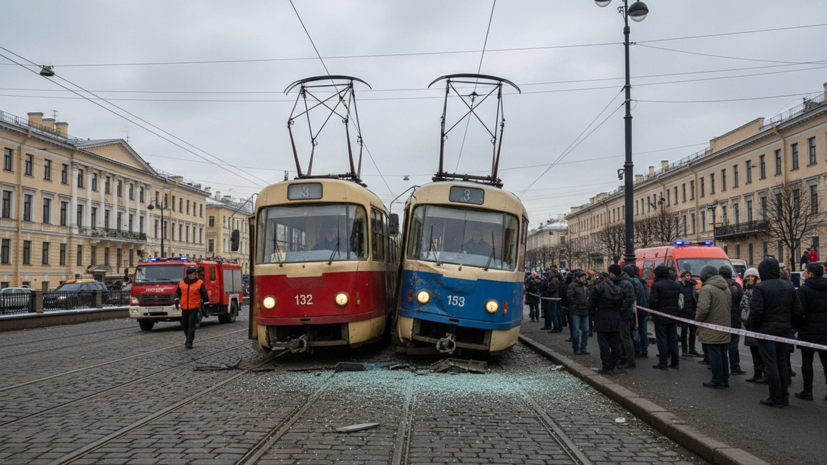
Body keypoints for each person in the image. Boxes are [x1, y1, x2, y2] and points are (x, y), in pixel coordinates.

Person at [747, 258, 803, 407]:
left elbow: (756, 311)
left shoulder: (760, 288)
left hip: (766, 331)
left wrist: (753, 329)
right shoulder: (788, 287)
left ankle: (775, 397)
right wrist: (792, 327)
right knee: (782, 363)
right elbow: (798, 310)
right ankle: (784, 397)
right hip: (784, 330)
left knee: (770, 364)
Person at [793, 263, 827, 401]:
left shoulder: (804, 289)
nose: (804, 274)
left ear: (811, 274)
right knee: (826, 362)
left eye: (805, 272)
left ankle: (808, 391)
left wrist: (798, 326)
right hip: (826, 330)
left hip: (808, 330)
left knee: (807, 361)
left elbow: (799, 311)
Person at [695, 265, 732, 389]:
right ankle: (725, 379)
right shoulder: (726, 288)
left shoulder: (707, 289)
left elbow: (703, 309)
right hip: (724, 326)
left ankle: (717, 380)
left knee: (714, 355)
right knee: (723, 354)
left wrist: (697, 320)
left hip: (711, 327)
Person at [589, 267, 624, 375]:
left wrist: (592, 313)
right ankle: (614, 365)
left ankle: (607, 366)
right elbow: (621, 303)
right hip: (615, 318)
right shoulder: (618, 288)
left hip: (602, 317)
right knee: (615, 343)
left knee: (604, 344)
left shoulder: (598, 288)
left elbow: (590, 303)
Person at [649, 265, 682, 370]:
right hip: (673, 315)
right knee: (673, 339)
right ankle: (675, 362)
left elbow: (653, 302)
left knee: (662, 339)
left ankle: (663, 362)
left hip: (660, 316)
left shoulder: (656, 285)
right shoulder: (676, 285)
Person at [719, 266, 746, 375]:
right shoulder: (736, 286)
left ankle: (719, 365)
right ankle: (735, 366)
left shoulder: (717, 286)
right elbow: (742, 301)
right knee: (733, 343)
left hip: (720, 318)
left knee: (720, 343)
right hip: (734, 317)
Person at [741, 268, 766, 384]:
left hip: (758, 325)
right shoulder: (745, 290)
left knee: (761, 351)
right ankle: (757, 373)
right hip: (749, 325)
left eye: (753, 276)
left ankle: (765, 374)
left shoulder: (759, 289)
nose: (750, 278)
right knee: (754, 351)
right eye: (748, 276)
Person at [176, 266, 209, 349]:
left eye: (194, 274)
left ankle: (189, 342)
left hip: (194, 307)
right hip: (184, 307)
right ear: (188, 275)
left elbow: (204, 295)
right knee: (185, 325)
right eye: (192, 274)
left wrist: (206, 305)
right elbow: (178, 293)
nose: (194, 276)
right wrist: (176, 300)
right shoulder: (181, 283)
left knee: (191, 325)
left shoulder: (199, 283)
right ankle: (188, 338)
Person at [611, 264, 637, 369]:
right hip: (622, 314)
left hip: (624, 315)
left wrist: (620, 309)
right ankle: (623, 358)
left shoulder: (624, 283)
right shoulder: (620, 282)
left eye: (610, 273)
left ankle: (630, 360)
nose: (609, 275)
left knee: (625, 338)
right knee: (622, 338)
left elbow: (629, 298)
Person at [627, 265, 649, 359]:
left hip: (635, 309)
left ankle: (637, 350)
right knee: (643, 331)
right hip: (643, 309)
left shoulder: (632, 282)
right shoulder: (643, 282)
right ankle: (645, 350)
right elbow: (647, 296)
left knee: (634, 330)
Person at [678, 271, 701, 357]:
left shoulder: (691, 285)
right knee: (684, 331)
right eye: (687, 276)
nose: (688, 277)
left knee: (693, 331)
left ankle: (692, 348)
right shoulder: (679, 285)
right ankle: (684, 349)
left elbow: (696, 295)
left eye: (689, 276)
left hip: (692, 311)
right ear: (683, 277)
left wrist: (694, 285)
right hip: (683, 312)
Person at [567, 270, 590, 355]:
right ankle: (576, 348)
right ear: (577, 278)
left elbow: (588, 295)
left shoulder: (585, 286)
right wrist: (576, 305)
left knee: (586, 330)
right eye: (582, 278)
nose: (584, 279)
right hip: (576, 310)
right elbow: (569, 297)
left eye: (584, 278)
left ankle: (583, 347)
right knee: (576, 330)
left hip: (585, 310)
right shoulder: (572, 286)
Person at [546, 267, 562, 332]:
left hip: (553, 297)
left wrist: (548, 289)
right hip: (556, 297)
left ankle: (556, 327)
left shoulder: (553, 280)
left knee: (553, 313)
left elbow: (551, 289)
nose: (549, 274)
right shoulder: (556, 279)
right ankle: (559, 326)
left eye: (550, 272)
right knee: (557, 312)